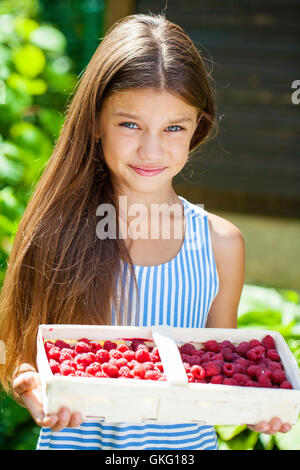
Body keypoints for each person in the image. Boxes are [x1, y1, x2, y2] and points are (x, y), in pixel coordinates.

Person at [0, 13, 291, 450]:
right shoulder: (56, 230)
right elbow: (16, 352)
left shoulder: (221, 246)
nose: (151, 149)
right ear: (95, 122)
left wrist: (257, 404)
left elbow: (217, 375)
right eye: (130, 124)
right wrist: (27, 383)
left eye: (174, 127)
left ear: (199, 127)